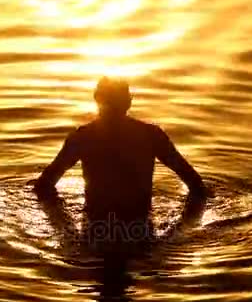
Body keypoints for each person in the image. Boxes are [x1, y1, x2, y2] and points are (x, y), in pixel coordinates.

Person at [33, 76, 207, 239]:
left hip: (97, 232)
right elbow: (197, 187)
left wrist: (68, 234)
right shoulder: (152, 136)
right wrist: (177, 235)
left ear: (96, 99)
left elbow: (43, 186)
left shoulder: (82, 138)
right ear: (129, 102)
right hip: (139, 232)